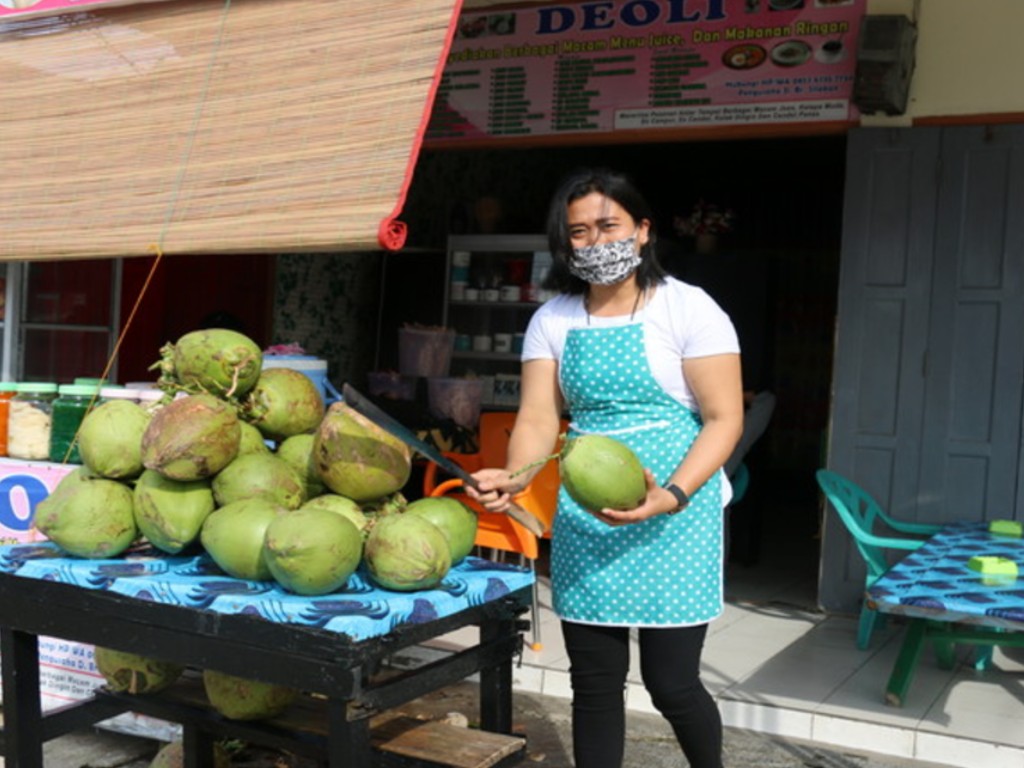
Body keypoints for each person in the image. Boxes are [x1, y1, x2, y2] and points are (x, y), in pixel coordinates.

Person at [466, 168, 744, 768]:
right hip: (590, 518)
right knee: (593, 685)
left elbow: (724, 419)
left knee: (673, 684)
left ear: (642, 230)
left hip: (677, 514)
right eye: (579, 233)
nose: (596, 242)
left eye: (608, 226)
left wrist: (671, 493)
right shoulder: (554, 320)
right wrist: (515, 476)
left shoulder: (689, 309)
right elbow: (539, 419)